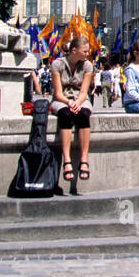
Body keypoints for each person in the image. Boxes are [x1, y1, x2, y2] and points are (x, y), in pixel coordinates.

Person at [51, 36, 95, 182]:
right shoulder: (57, 64)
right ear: (74, 50)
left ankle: (84, 159)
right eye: (85, 51)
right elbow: (57, 93)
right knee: (65, 115)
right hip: (62, 98)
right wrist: (69, 102)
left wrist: (77, 102)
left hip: (80, 99)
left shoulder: (88, 66)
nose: (87, 54)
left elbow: (84, 92)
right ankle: (67, 159)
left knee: (84, 114)